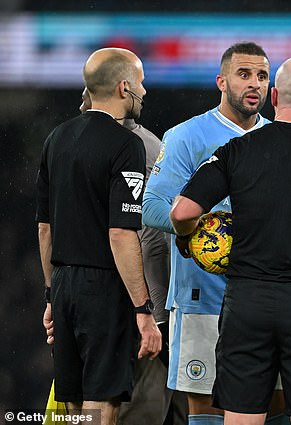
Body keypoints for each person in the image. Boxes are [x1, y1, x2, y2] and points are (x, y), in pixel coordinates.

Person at [169, 55, 291, 425]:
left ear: (274, 96)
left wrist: (187, 241)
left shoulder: (236, 151)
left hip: (248, 303)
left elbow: (182, 213)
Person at [143, 41, 287, 425]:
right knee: (205, 405)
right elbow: (152, 206)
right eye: (243, 74)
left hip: (265, 295)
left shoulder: (280, 139)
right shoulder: (186, 136)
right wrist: (206, 228)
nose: (253, 83)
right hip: (201, 295)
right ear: (221, 81)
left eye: (261, 76)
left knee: (273, 404)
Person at [36, 47, 162, 425]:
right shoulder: (128, 145)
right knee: (103, 407)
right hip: (104, 289)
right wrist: (143, 310)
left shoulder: (56, 138)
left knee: (72, 410)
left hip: (62, 284)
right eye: (141, 83)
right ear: (125, 87)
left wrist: (50, 296)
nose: (145, 91)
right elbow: (121, 233)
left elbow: (44, 230)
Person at [77, 87, 188, 425]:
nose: (83, 97)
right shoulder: (90, 145)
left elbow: (154, 241)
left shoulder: (142, 149)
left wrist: (151, 317)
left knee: (139, 412)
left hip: (138, 316)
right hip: (114, 307)